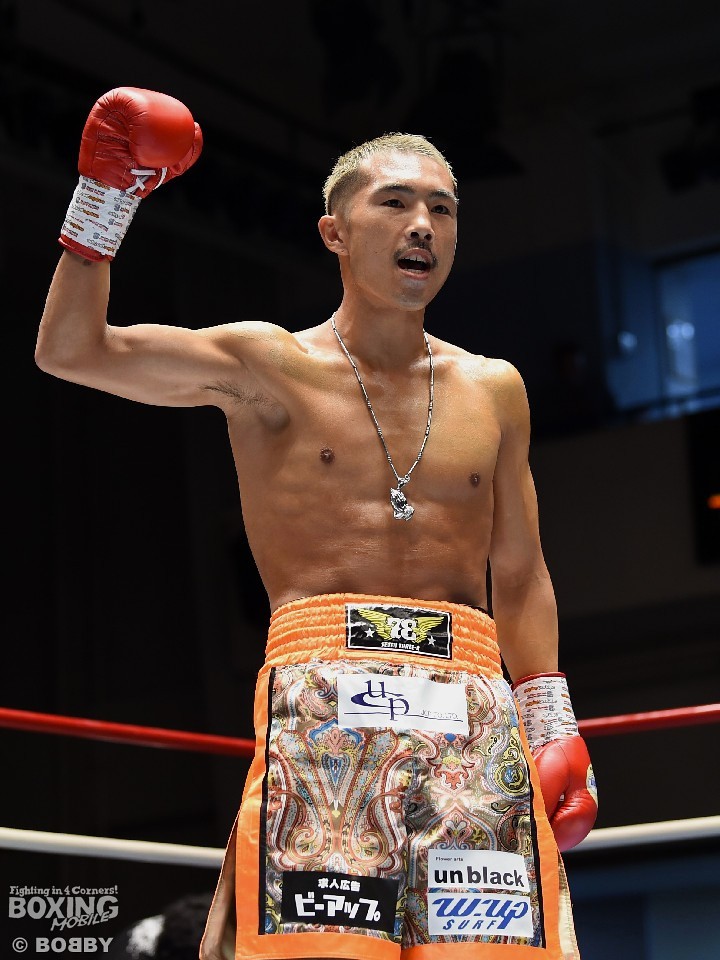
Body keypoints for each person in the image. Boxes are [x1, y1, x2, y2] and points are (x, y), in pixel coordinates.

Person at [36, 88, 598, 960]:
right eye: (395, 203)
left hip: (472, 703)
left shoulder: (495, 388)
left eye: (442, 209)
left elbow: (521, 572)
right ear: (335, 232)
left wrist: (553, 722)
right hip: (325, 697)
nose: (423, 226)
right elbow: (72, 350)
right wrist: (104, 199)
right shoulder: (268, 364)